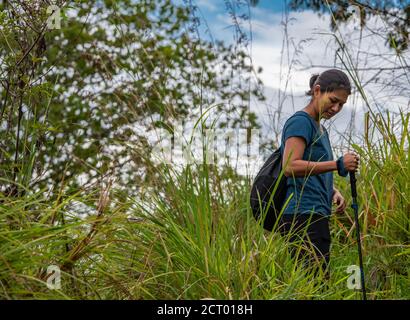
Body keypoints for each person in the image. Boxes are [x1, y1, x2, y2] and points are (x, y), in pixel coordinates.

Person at [278, 69, 360, 280]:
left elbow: (309, 167)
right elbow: (290, 166)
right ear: (317, 91)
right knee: (314, 284)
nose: (336, 108)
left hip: (316, 213)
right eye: (333, 100)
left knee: (319, 283)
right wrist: (338, 164)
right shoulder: (301, 122)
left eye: (341, 104)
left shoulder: (319, 128)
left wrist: (332, 191)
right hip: (301, 214)